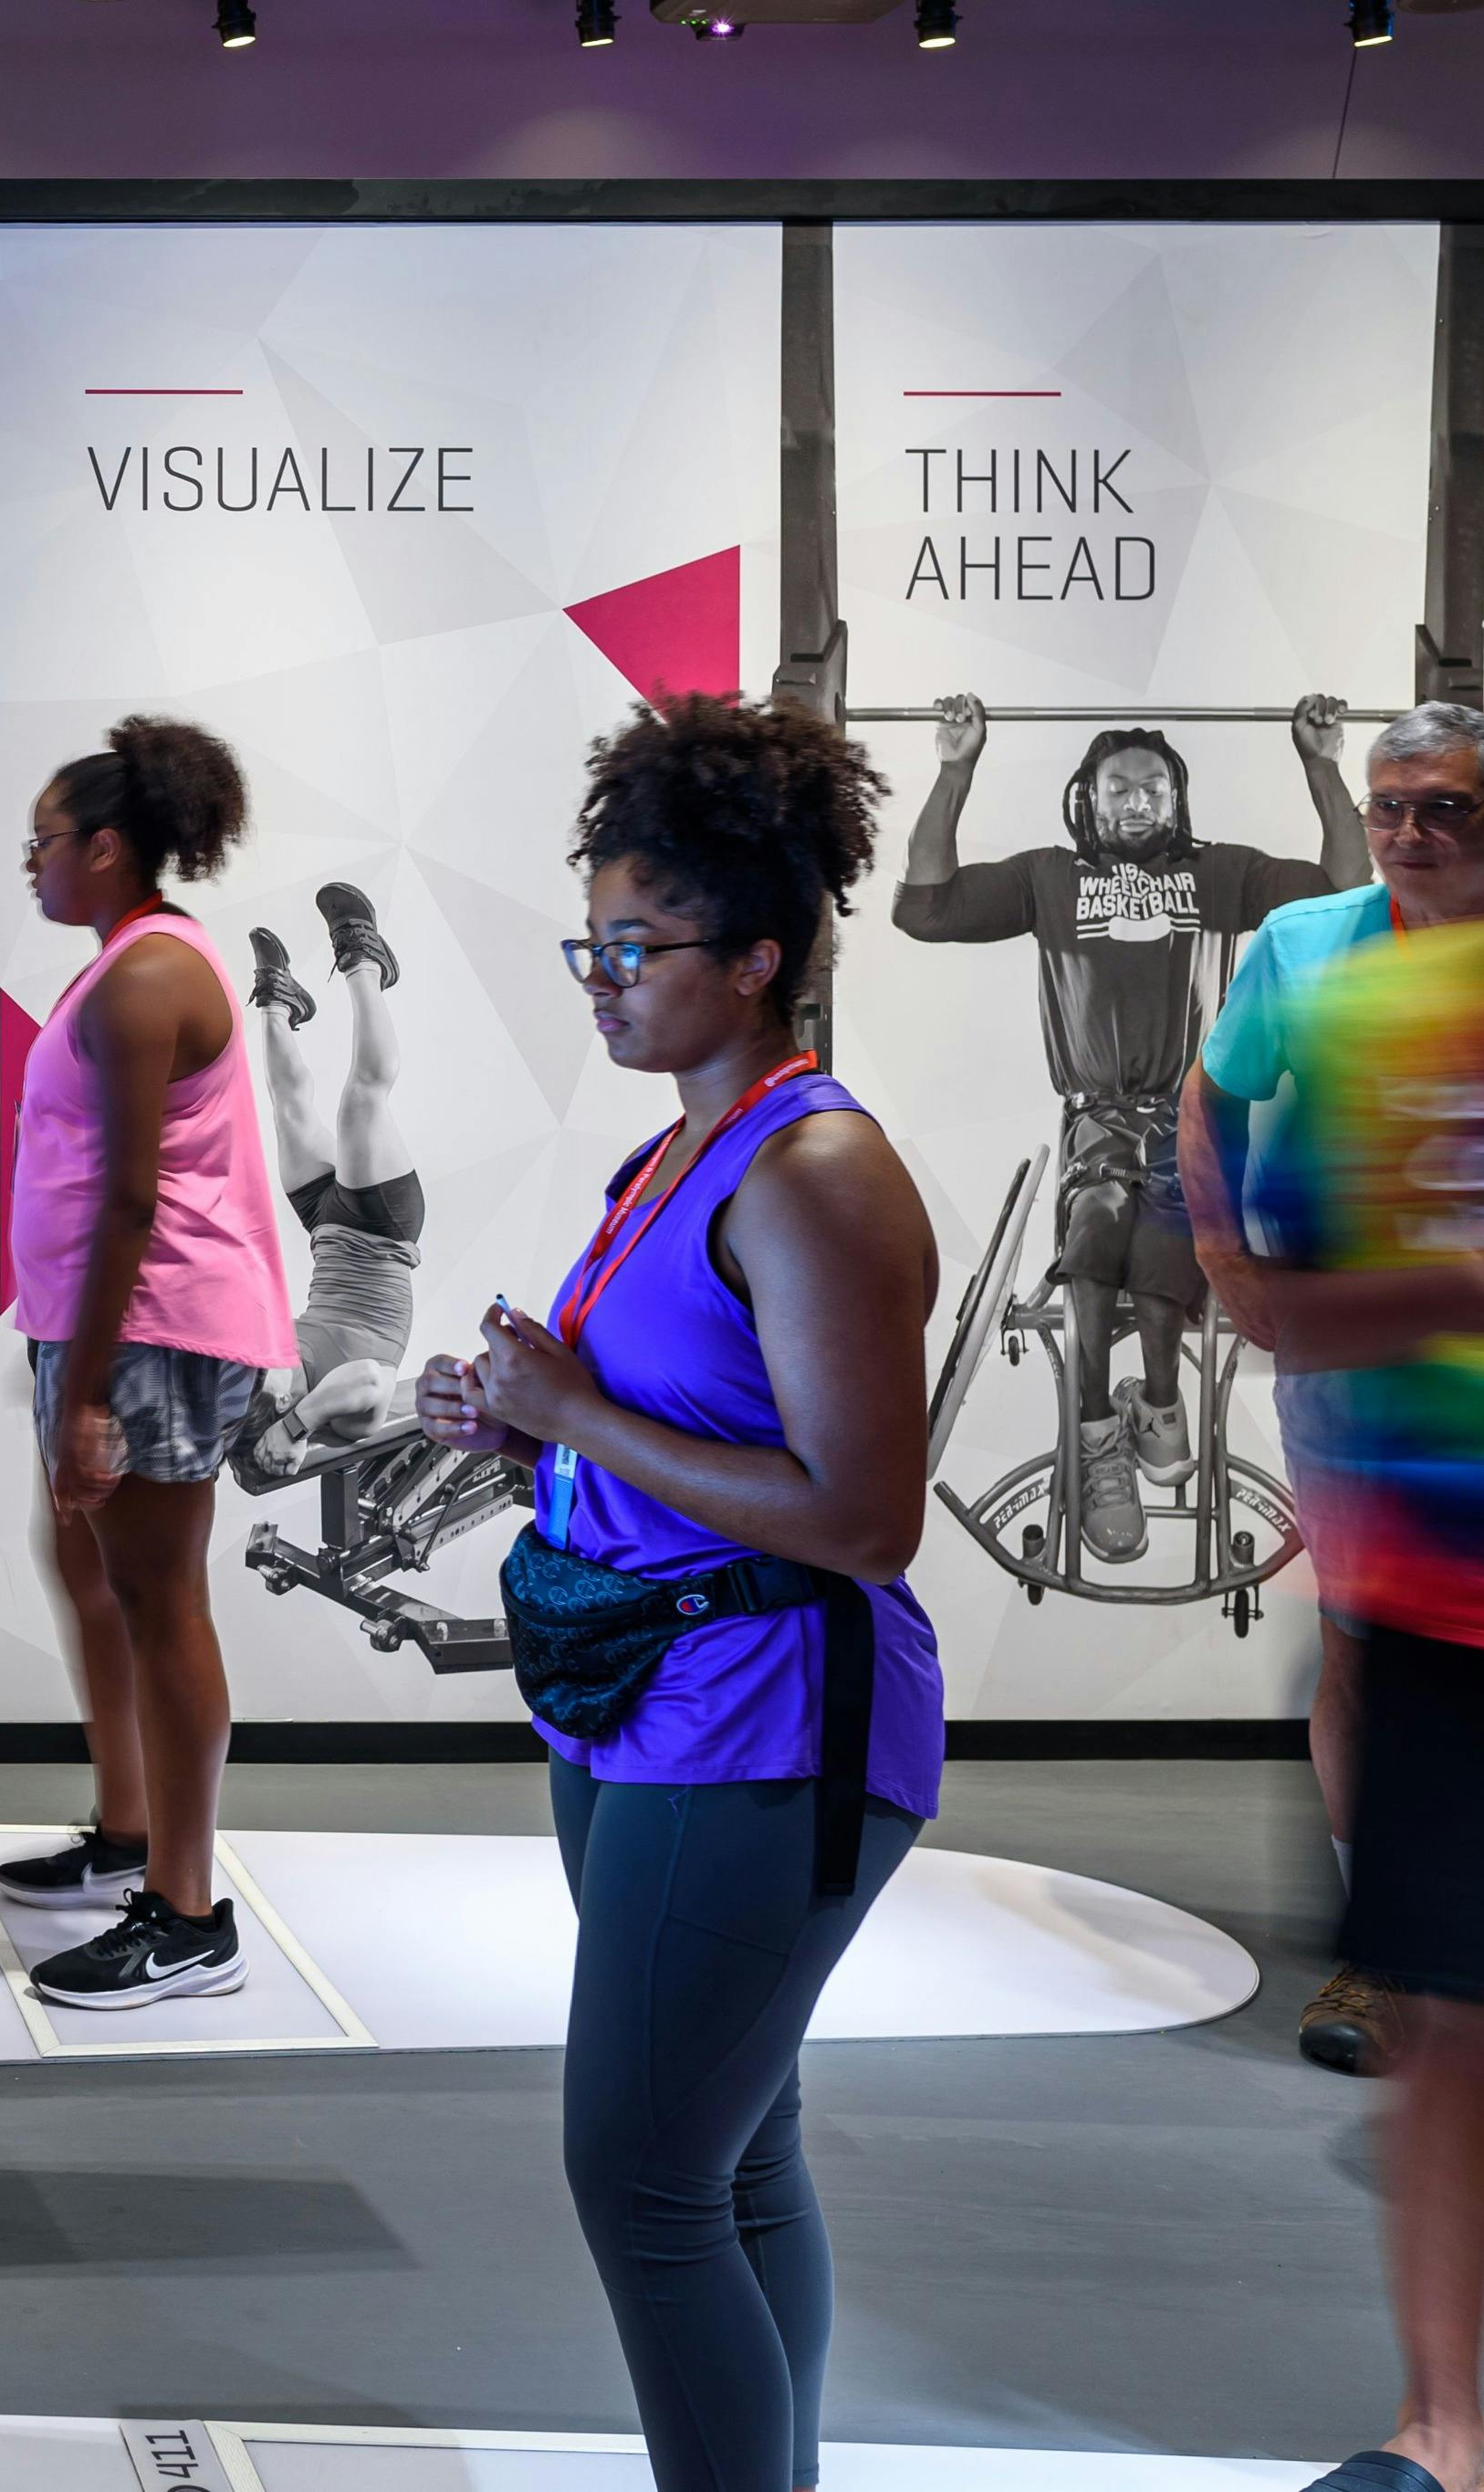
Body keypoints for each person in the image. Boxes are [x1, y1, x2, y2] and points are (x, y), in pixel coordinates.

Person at [419, 694, 942, 2492]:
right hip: (651, 1703)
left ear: (760, 958)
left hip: (766, 1720)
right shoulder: (671, 1159)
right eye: (592, 942)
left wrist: (572, 1411)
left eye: (637, 946)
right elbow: (675, 1441)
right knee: (728, 2159)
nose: (602, 980)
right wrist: (526, 1429)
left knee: (643, 2179)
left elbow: (863, 1520)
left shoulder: (814, 1172)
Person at [1176, 703, 1484, 2086]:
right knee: (1362, 1639)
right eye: (1387, 805)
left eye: (1441, 806)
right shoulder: (1304, 943)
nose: (1405, 832)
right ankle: (1387, 1956)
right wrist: (1222, 1256)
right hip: (1354, 1358)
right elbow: (1209, 1097)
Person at [1254, 904, 1484, 2492]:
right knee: (1443, 2022)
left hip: (1454, 1593)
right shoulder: (1393, 1014)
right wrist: (1460, 1289)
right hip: (1458, 1599)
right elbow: (1297, 1307)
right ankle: (1442, 2439)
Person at [894, 692, 1364, 1563]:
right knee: (1100, 1222)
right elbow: (924, 907)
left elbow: (1343, 891)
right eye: (1120, 788)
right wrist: (957, 768)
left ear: (1178, 800)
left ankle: (1158, 1400)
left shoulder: (1219, 874)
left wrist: (1320, 764)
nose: (1138, 801)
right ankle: (1096, 1432)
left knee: (1164, 1237)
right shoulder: (1050, 876)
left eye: (1154, 788)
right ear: (1090, 798)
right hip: (1098, 1120)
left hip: (1193, 1122)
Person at [0, 717, 294, 2009]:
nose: (34, 863)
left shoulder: (145, 978)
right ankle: (128, 1828)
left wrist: (90, 1396)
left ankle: (187, 1912)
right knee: (88, 1564)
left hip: (155, 1326)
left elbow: (129, 1201)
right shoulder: (126, 961)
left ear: (107, 846)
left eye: (45, 841)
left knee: (160, 1597)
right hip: (111, 1322)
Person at [228, 883, 424, 1486]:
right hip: (382, 1230)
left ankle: (277, 1003)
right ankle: (366, 961)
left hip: (327, 1228)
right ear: (286, 1406)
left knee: (287, 1111)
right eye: (272, 1384)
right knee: (360, 1100)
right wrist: (295, 1429)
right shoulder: (344, 1419)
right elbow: (373, 1380)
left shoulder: (261, 1376)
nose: (269, 1362)